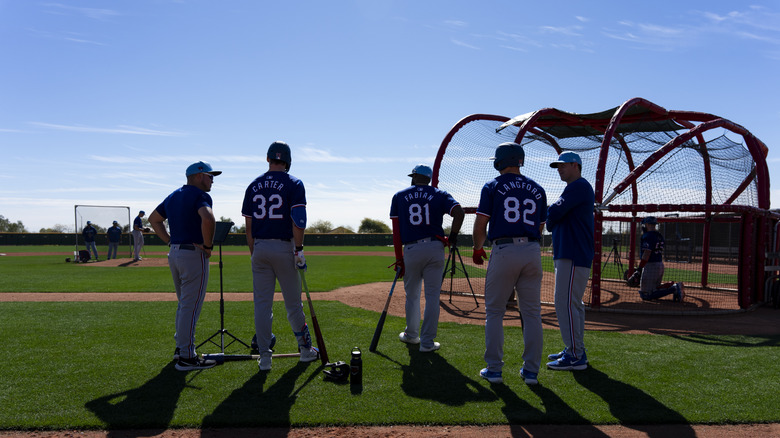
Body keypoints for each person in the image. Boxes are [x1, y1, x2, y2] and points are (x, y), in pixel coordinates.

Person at [472, 142, 547, 385]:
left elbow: (481, 224)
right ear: (520, 160)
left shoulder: (492, 185)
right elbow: (540, 227)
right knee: (532, 314)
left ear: (500, 161)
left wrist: (477, 248)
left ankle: (494, 370)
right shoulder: (537, 188)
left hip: (504, 249)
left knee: (495, 312)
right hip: (532, 250)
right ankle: (531, 372)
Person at [242, 141, 319, 372]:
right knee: (294, 304)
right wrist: (299, 249)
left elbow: (249, 227)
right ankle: (305, 351)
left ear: (268, 159)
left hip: (260, 248)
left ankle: (265, 357)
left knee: (262, 305)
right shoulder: (294, 183)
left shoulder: (254, 184)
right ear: (287, 160)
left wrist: (254, 253)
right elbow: (299, 220)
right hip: (285, 248)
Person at [148, 161, 221, 371]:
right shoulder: (200, 195)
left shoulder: (173, 195)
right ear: (198, 176)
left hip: (175, 253)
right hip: (193, 254)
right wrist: (208, 246)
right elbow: (208, 218)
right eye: (210, 176)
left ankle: (181, 349)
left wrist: (170, 241)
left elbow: (154, 220)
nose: (212, 180)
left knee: (184, 305)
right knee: (190, 306)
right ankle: (187, 356)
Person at [390, 164, 465, 353]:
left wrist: (399, 258)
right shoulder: (440, 194)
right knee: (432, 297)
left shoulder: (399, 196)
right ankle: (427, 343)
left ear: (414, 177)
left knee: (412, 296)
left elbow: (396, 233)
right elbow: (459, 213)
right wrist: (453, 236)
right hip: (435, 247)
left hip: (412, 249)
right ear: (429, 178)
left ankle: (411, 335)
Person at [545, 151, 595, 372]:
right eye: (558, 166)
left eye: (563, 165)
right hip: (571, 252)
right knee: (573, 304)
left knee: (565, 303)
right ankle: (575, 349)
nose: (559, 169)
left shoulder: (580, 186)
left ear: (576, 165)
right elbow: (555, 216)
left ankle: (575, 354)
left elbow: (555, 211)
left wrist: (552, 217)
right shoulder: (574, 188)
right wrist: (553, 217)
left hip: (573, 253)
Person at [628, 216, 685, 303]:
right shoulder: (659, 235)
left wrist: (639, 269)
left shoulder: (648, 236)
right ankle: (671, 286)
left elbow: (647, 253)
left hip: (651, 266)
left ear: (647, 224)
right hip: (659, 265)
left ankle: (674, 288)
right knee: (655, 289)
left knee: (646, 295)